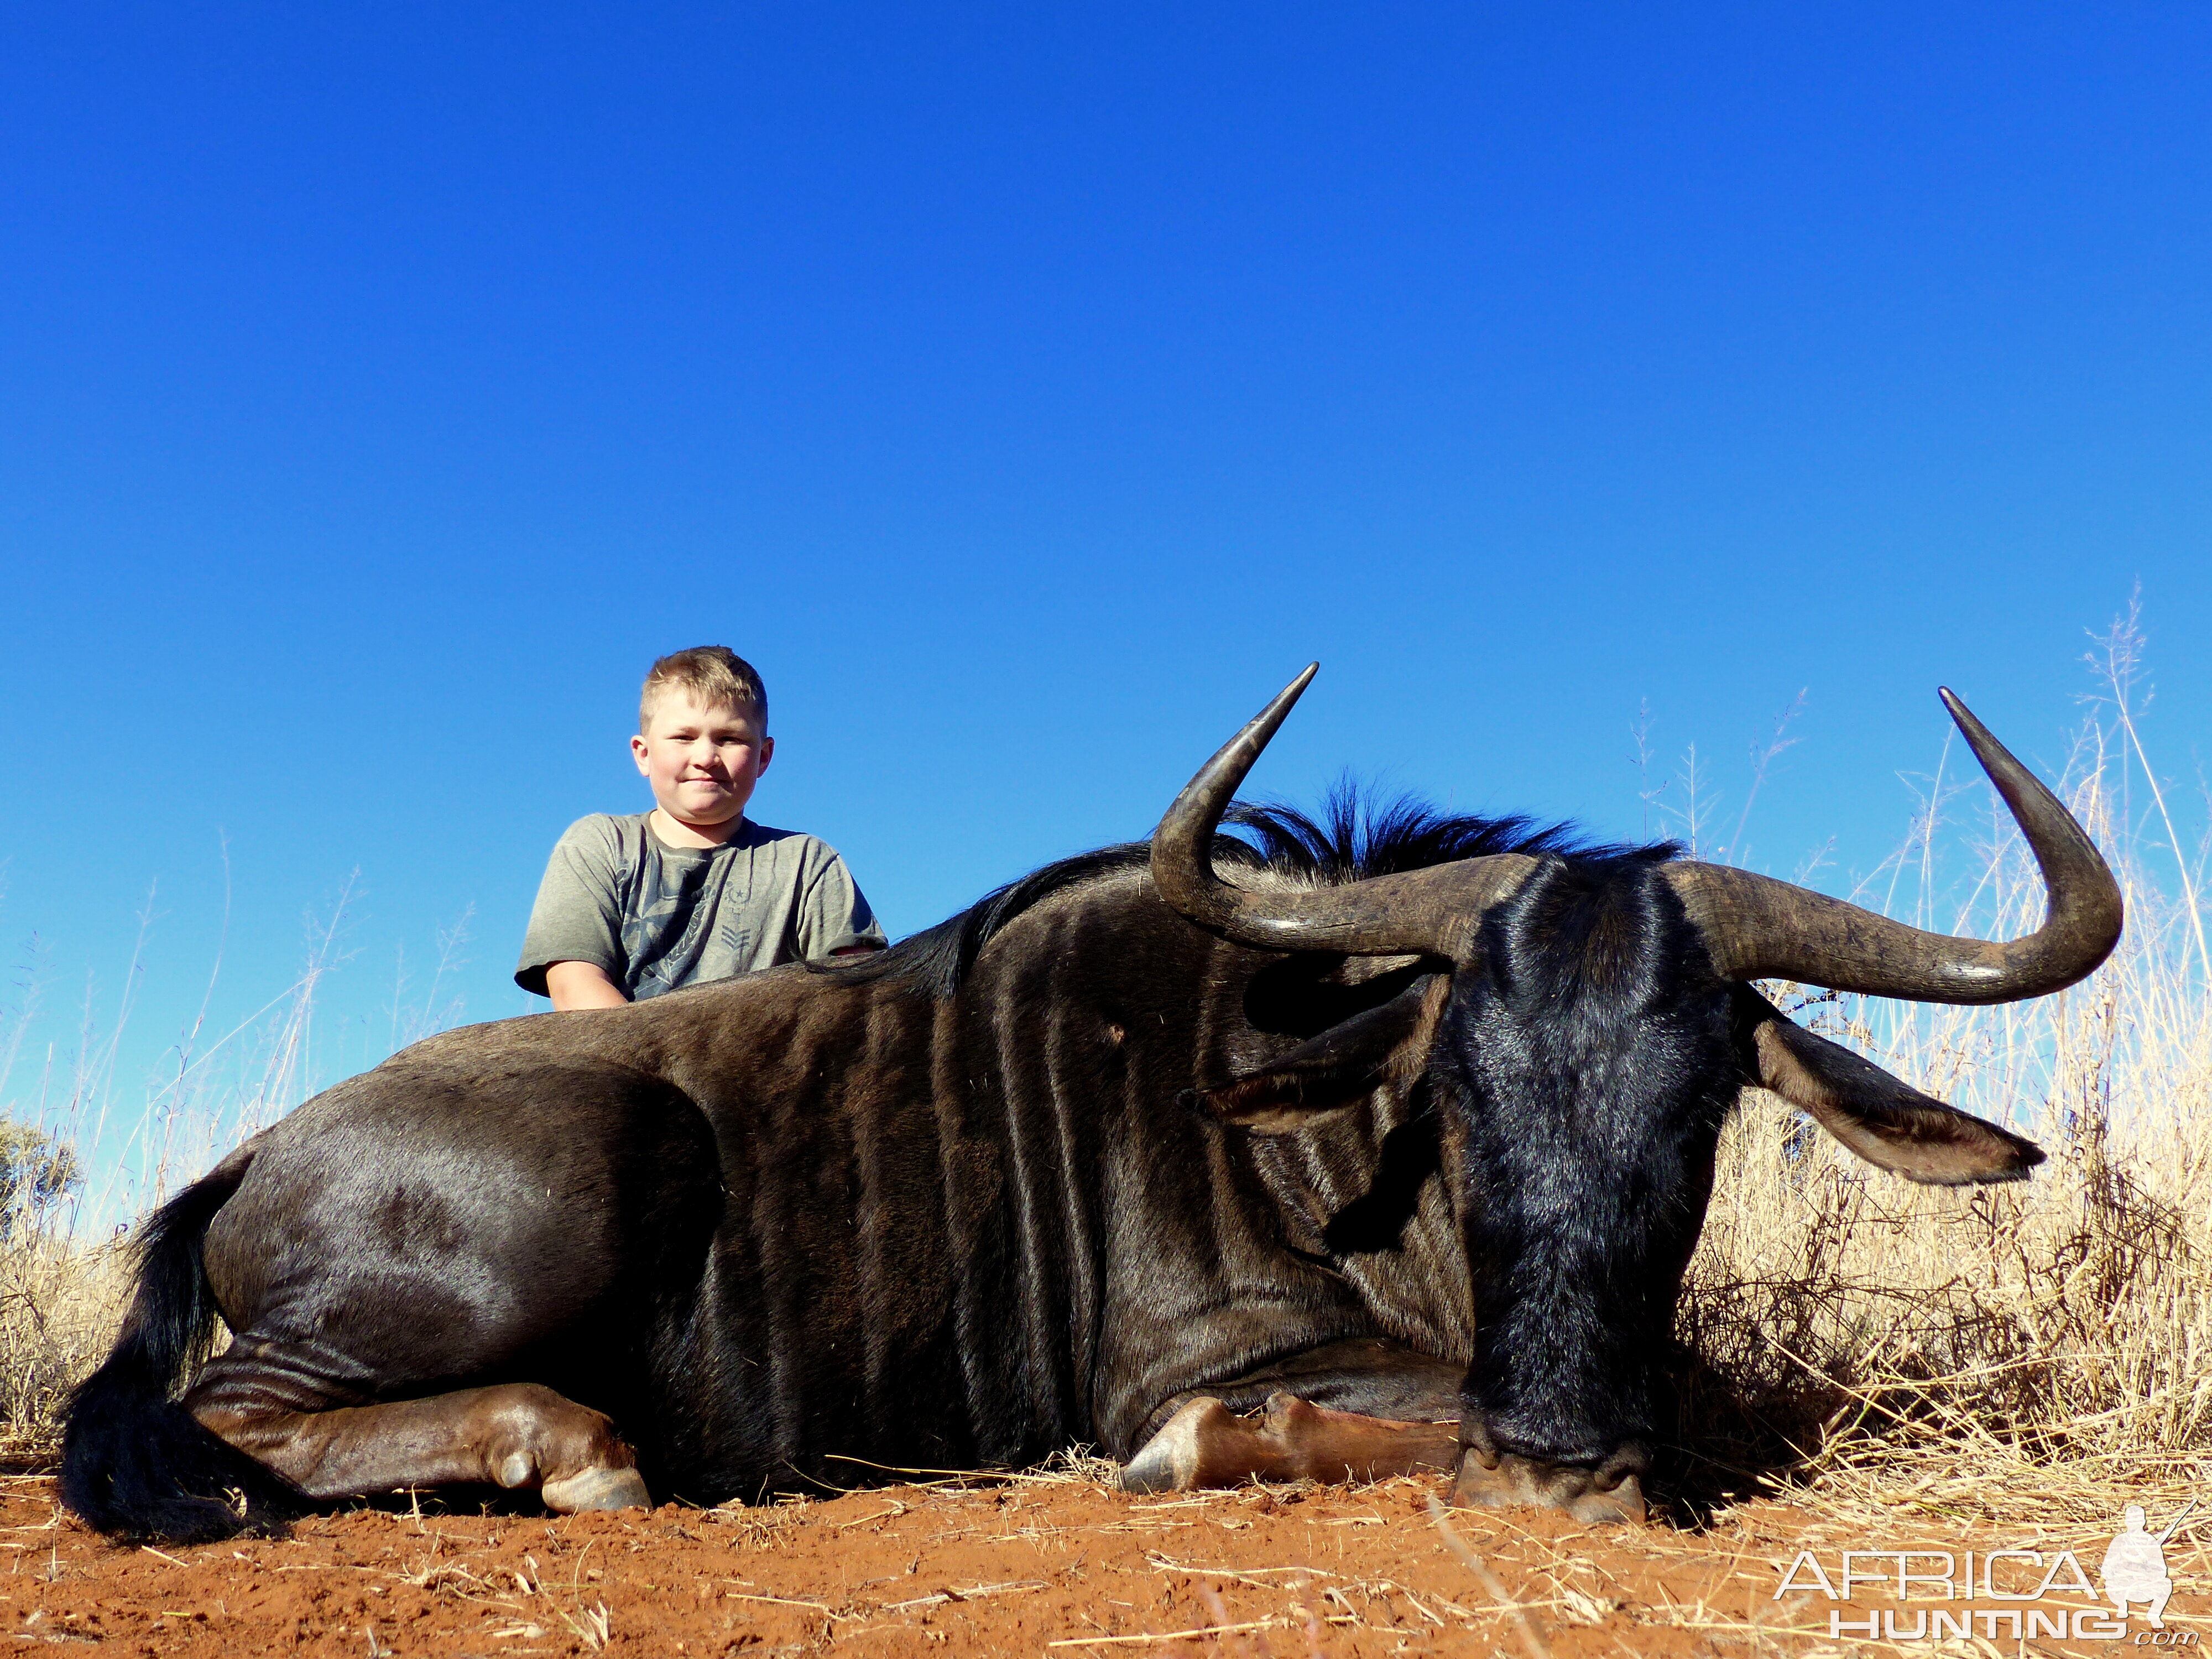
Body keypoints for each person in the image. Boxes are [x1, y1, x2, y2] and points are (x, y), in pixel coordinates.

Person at [515, 646, 886, 1010]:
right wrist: (658, 1068)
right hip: (623, 1064)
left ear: (764, 757)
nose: (706, 757)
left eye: (730, 738)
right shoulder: (599, 844)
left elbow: (857, 994)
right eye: (684, 737)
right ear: (643, 753)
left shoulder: (808, 862)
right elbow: (574, 985)